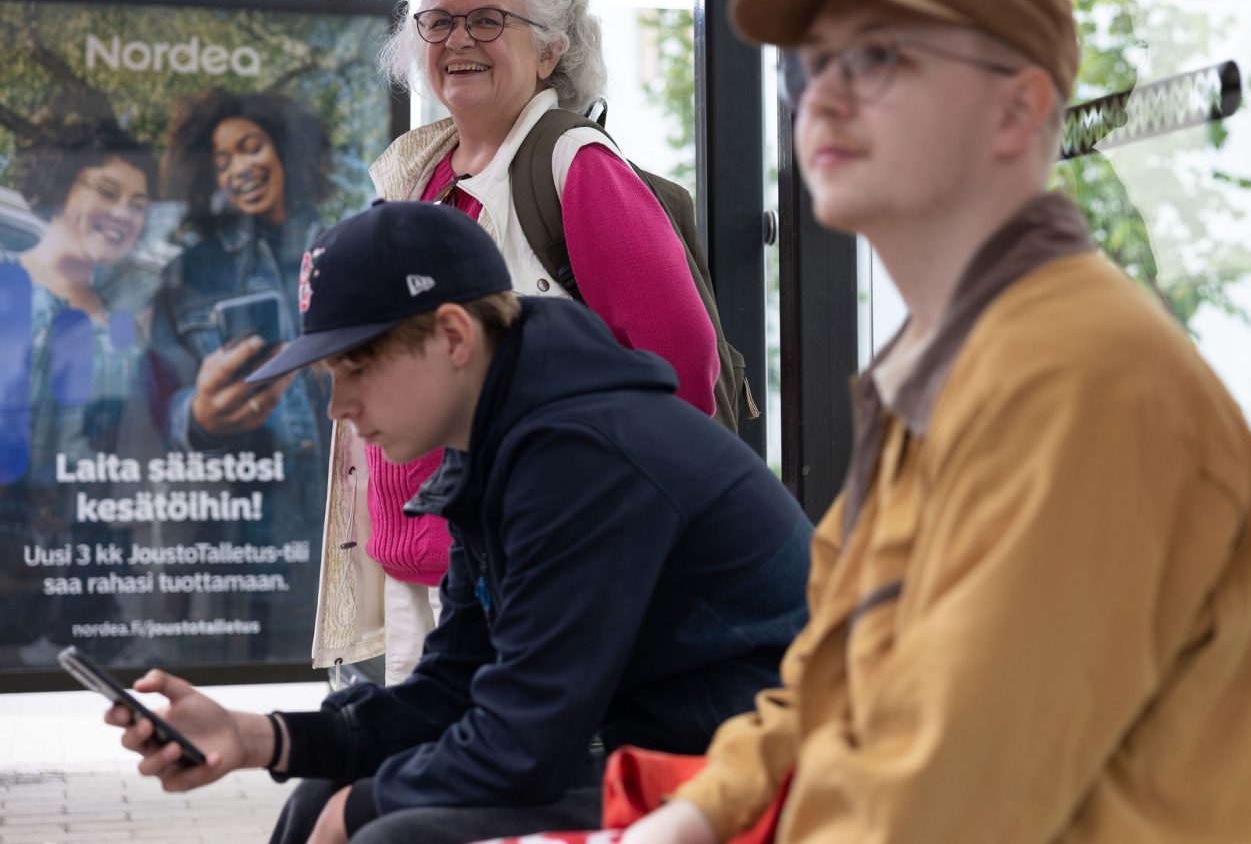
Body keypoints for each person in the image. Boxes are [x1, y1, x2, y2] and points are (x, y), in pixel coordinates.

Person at [622, 0, 1251, 842]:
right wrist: (701, 810)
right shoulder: (949, 363)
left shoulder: (1082, 379)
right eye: (809, 67)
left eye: (876, 58)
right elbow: (836, 680)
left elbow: (946, 804)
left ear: (1018, 108)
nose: (820, 101)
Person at [106, 200, 811, 844]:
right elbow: (458, 688)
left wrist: (357, 810)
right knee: (321, 795)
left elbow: (524, 746)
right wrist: (259, 736)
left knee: (389, 833)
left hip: (762, 776)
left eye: (357, 366)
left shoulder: (580, 454)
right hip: (659, 749)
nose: (338, 406)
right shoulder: (501, 439)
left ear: (451, 335)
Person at [324, 0, 722, 684]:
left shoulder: (578, 170)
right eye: (437, 20)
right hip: (428, 573)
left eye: (487, 19)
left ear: (550, 50)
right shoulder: (428, 173)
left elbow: (684, 374)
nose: (457, 39)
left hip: (527, 575)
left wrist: (598, 549)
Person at [0, 114, 158, 667]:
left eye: (138, 203)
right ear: (59, 185)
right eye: (107, 191)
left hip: (93, 588)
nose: (123, 213)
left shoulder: (130, 323)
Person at [148, 90, 333, 528]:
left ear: (285, 151)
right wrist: (198, 417)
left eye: (252, 148)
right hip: (246, 527)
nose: (239, 168)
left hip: (351, 516)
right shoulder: (189, 275)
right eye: (221, 162)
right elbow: (155, 406)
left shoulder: (346, 246)